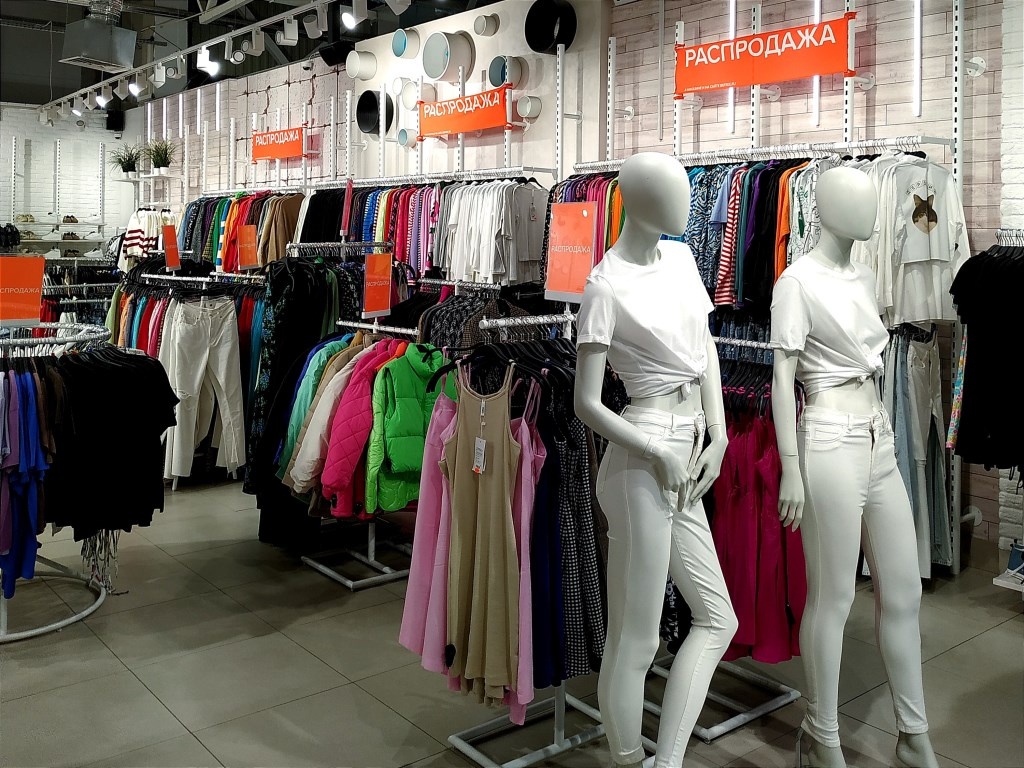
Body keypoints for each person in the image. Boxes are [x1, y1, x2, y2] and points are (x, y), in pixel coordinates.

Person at [770, 166, 940, 768]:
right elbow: (782, 378)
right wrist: (790, 466)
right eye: (860, 201)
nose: (873, 212)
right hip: (828, 438)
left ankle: (913, 734)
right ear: (825, 208)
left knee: (903, 591)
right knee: (833, 597)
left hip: (877, 436)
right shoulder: (796, 283)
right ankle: (822, 736)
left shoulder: (865, 275)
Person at [574, 151, 738, 768]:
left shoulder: (683, 259)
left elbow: (706, 349)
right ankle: (627, 757)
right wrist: (656, 451)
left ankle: (664, 761)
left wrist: (718, 434)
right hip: (642, 455)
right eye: (675, 191)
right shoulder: (604, 285)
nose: (689, 201)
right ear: (640, 201)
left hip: (687, 445)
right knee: (636, 638)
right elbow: (586, 402)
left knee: (717, 618)